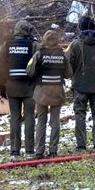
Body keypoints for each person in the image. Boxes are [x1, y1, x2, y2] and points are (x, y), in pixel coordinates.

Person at [67, 16, 95, 152]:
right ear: (94, 27)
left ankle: (81, 145)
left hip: (80, 86)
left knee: (80, 115)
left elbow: (69, 64)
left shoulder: (75, 44)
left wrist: (75, 75)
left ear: (80, 27)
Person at [0, 20, 41, 157]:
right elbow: (39, 65)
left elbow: (1, 67)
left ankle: (15, 149)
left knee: (15, 118)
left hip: (12, 87)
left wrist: (2, 87)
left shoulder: (6, 45)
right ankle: (29, 149)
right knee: (30, 117)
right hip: (29, 88)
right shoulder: (34, 45)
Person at [27, 30, 71, 159]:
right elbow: (69, 74)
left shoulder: (39, 54)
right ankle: (53, 150)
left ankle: (39, 151)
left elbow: (29, 71)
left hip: (41, 92)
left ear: (44, 40)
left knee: (41, 121)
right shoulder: (62, 55)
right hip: (57, 91)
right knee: (55, 121)